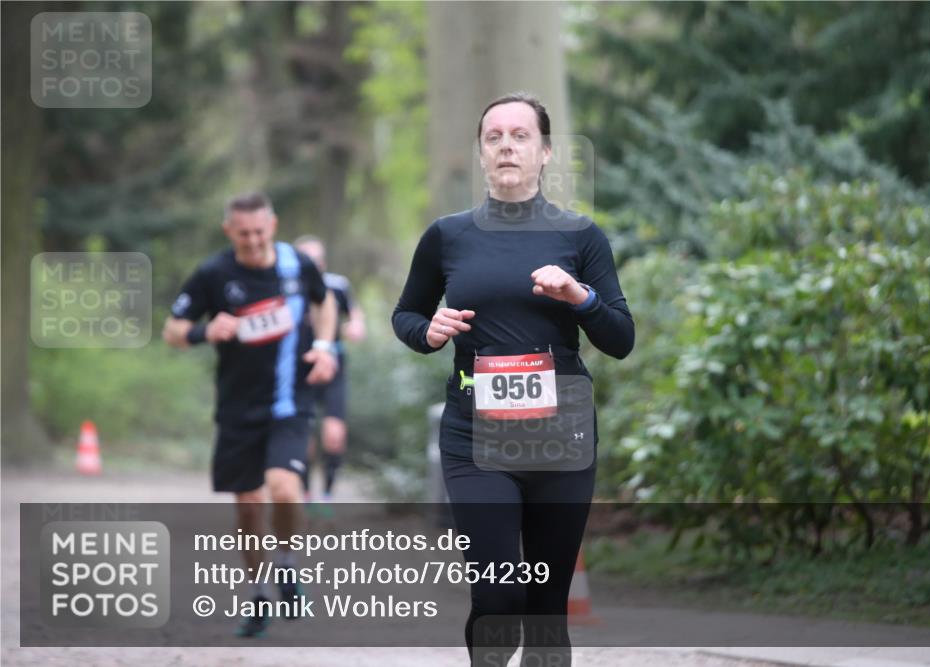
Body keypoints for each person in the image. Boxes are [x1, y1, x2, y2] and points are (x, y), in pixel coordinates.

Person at [392, 93, 634, 665]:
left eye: (520, 135)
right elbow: (406, 314)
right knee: (498, 595)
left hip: (561, 431)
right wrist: (428, 331)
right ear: (481, 153)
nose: (506, 145)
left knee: (548, 606)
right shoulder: (447, 236)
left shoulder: (580, 236)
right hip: (476, 433)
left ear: (546, 152)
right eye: (494, 136)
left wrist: (580, 296)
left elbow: (620, 339)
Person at [163, 192, 337, 638]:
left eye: (260, 231)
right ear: (229, 232)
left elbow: (326, 301)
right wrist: (205, 330)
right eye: (244, 234)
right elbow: (173, 331)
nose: (254, 241)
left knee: (284, 488)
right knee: (247, 508)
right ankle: (257, 595)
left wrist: (322, 347)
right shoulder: (214, 273)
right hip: (238, 410)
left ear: (272, 225)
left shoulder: (297, 265)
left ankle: (287, 565)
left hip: (289, 403)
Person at [293, 235, 367, 502]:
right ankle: (306, 496)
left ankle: (326, 497)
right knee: (304, 439)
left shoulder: (337, 285)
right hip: (299, 368)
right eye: (304, 260)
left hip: (333, 366)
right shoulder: (287, 289)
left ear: (322, 262)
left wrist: (356, 326)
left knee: (334, 435)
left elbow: (356, 315)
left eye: (315, 260)